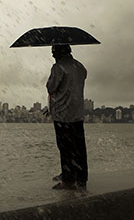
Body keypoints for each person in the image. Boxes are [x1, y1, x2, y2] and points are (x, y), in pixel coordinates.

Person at [46, 44, 88, 190]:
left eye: (53, 51)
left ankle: (68, 180)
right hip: (77, 113)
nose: (52, 55)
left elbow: (51, 87)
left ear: (60, 52)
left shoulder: (58, 68)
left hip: (62, 115)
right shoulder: (80, 67)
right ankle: (81, 178)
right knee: (79, 148)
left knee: (65, 148)